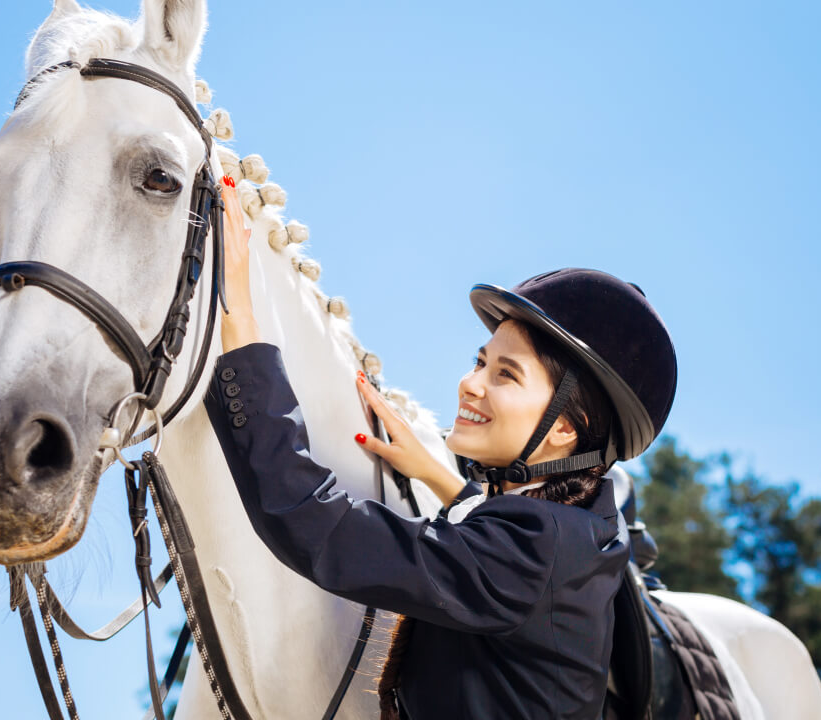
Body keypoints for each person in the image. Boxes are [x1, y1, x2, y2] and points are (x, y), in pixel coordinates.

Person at [205, 177, 678, 719]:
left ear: (567, 429)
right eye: (481, 361)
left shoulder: (534, 553)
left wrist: (241, 322)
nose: (471, 384)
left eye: (506, 374)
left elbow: (319, 527)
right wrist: (438, 476)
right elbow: (506, 549)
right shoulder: (583, 526)